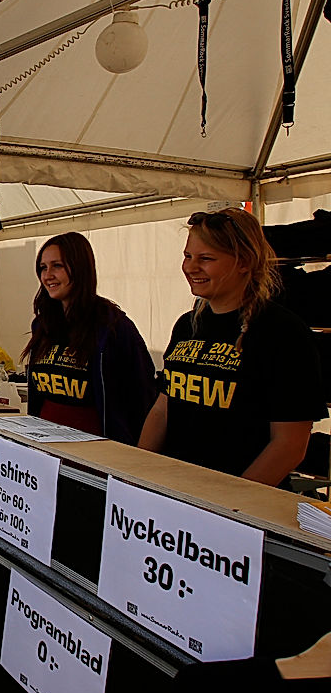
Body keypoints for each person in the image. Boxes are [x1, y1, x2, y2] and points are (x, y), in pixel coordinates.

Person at [139, 208, 327, 486]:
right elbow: (163, 409)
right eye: (187, 256)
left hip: (237, 508)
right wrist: (139, 473)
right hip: (174, 494)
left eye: (206, 259)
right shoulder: (186, 325)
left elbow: (290, 445)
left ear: (245, 262)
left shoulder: (283, 332)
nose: (191, 267)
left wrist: (230, 508)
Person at [21, 232, 155, 444]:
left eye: (57, 266)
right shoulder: (43, 325)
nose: (47, 275)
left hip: (97, 455)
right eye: (43, 268)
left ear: (80, 267)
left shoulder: (114, 327)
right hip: (46, 450)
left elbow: (142, 396)